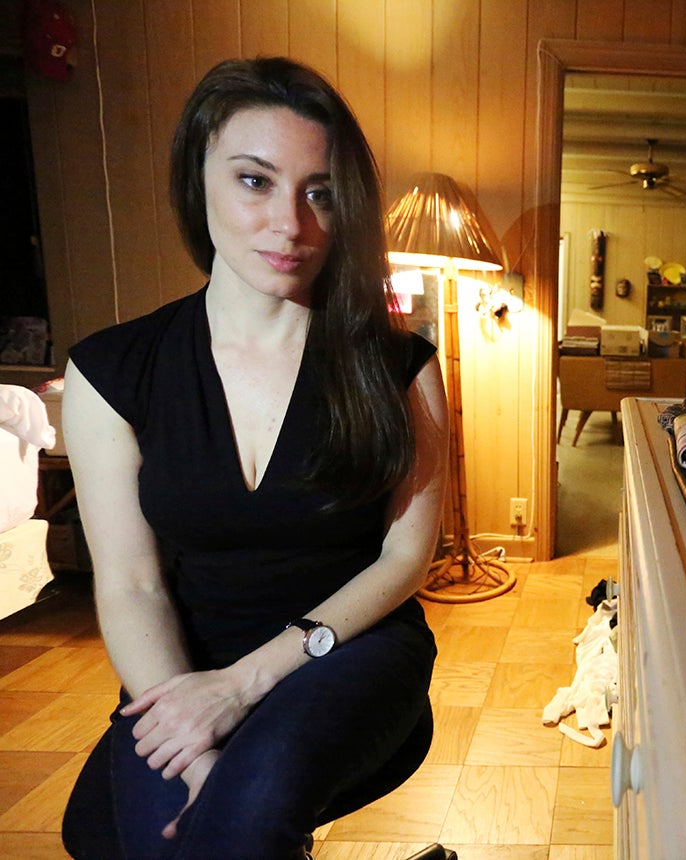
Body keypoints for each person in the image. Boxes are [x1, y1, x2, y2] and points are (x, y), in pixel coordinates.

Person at [59, 57, 449, 858]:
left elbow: (406, 558)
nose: (291, 225)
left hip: (350, 648)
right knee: (130, 838)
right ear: (196, 180)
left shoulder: (398, 366)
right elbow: (132, 585)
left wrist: (246, 683)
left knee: (243, 812)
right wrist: (199, 752)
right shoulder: (110, 371)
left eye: (320, 192)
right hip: (186, 663)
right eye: (254, 181)